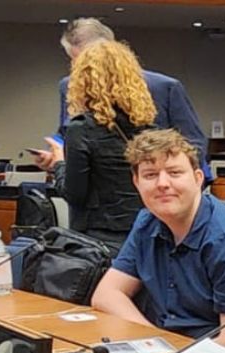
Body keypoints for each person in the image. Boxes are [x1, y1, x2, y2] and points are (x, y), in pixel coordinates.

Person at [91, 129, 225, 353]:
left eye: (175, 173)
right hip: (171, 352)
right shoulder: (148, 221)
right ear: (136, 182)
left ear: (198, 179)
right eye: (150, 175)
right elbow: (106, 294)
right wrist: (155, 342)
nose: (162, 183)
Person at [40, 18, 210, 179]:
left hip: (152, 187)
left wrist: (171, 176)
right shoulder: (68, 86)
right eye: (79, 62)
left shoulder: (165, 87)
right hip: (91, 194)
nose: (89, 68)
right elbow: (65, 131)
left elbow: (193, 142)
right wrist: (54, 154)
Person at [43, 40, 154, 248]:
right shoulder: (149, 128)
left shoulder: (81, 129)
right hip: (146, 233)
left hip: (99, 239)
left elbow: (74, 195)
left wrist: (58, 163)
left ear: (83, 82)